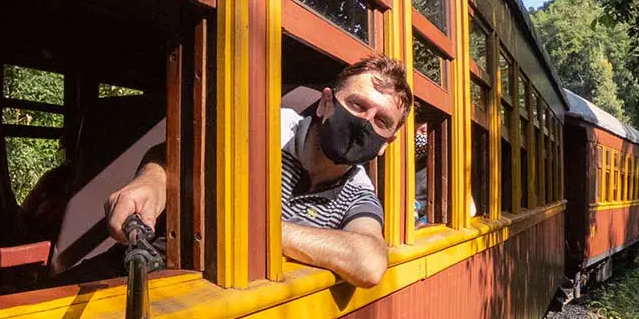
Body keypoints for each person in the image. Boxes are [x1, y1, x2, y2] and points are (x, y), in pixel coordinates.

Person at [105, 55, 412, 288]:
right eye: (357, 105)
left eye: (381, 121)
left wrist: (248, 228)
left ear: (387, 143)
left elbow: (369, 261)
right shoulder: (264, 129)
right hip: (152, 276)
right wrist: (153, 182)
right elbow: (180, 156)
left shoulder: (357, 188)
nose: (364, 123)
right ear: (326, 104)